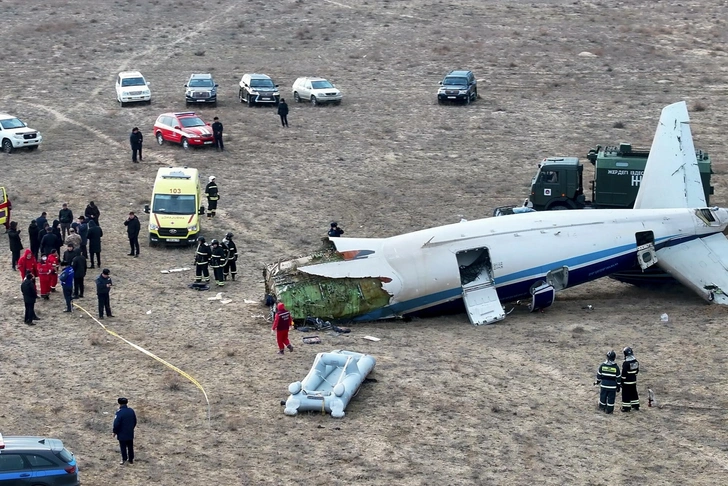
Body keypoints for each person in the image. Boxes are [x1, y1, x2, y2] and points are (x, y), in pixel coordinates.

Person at [113, 397, 137, 466]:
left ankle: (124, 459)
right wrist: (131, 428)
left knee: (123, 446)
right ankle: (131, 459)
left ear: (119, 404)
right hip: (130, 431)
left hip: (122, 432)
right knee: (130, 446)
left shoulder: (119, 412)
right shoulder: (131, 411)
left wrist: (115, 431)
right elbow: (135, 421)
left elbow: (116, 423)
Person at [595, 350, 621, 414]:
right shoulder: (616, 367)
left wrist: (597, 382)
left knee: (603, 396)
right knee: (611, 399)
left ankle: (602, 407)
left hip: (604, 385)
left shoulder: (602, 365)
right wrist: (618, 386)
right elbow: (618, 378)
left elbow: (599, 375)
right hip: (612, 386)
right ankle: (609, 410)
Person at [621, 347, 640, 412]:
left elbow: (624, 373)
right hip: (633, 380)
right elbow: (637, 371)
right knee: (634, 392)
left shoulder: (626, 363)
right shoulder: (636, 361)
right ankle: (636, 405)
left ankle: (626, 407)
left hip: (626, 382)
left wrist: (622, 380)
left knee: (626, 394)